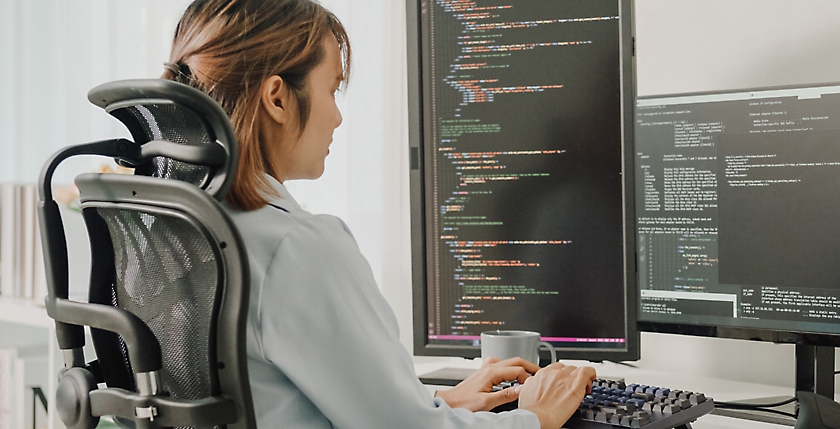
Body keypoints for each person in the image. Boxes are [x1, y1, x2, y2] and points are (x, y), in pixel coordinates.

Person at [160, 1, 596, 428]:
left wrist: (435, 400)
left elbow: (270, 396)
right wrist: (535, 416)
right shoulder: (296, 247)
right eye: (331, 90)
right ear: (277, 98)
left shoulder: (174, 228)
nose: (337, 117)